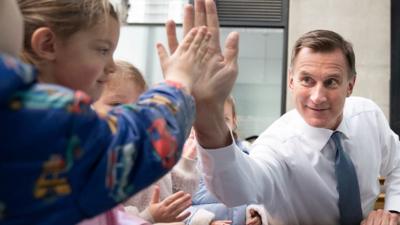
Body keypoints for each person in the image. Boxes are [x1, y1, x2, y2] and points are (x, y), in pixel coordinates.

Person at [0, 0, 240, 224]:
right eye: (103, 50)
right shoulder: (43, 122)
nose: (112, 66)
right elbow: (139, 142)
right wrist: (179, 82)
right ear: (47, 45)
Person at [189, 25, 400, 225]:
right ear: (291, 81)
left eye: (331, 82)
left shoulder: (368, 116)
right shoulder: (275, 145)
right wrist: (209, 120)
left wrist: (392, 211)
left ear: (350, 86)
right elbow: (236, 190)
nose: (318, 97)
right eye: (307, 80)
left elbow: (397, 164)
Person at [185, 96, 267, 225]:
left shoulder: (250, 155)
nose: (216, 128)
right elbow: (174, 211)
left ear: (234, 121)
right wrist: (206, 222)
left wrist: (257, 213)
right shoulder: (185, 164)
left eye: (224, 119)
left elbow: (263, 195)